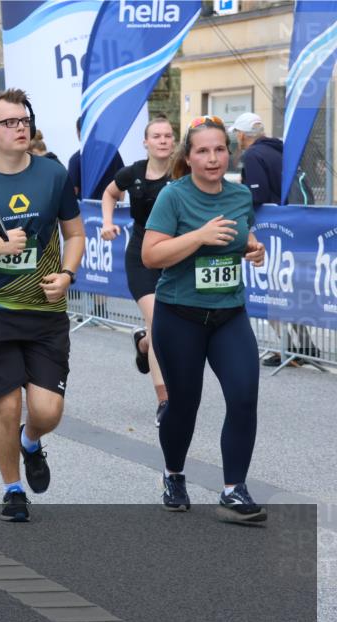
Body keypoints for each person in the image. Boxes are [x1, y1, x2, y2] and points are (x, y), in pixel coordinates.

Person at [0, 90, 85, 523]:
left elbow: (74, 234)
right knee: (6, 404)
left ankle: (31, 442)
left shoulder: (53, 175)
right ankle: (12, 489)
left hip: (44, 313)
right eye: (9, 122)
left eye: (24, 120)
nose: (20, 127)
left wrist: (67, 275)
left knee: (47, 412)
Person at [141, 115, 267, 524]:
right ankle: (174, 474)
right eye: (203, 151)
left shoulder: (239, 196)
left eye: (219, 149)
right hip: (180, 316)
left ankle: (234, 489)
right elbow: (151, 255)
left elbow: (240, 236)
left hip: (229, 314)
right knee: (183, 404)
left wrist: (252, 247)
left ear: (228, 153)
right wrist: (198, 236)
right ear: (189, 157)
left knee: (245, 394)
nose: (212, 158)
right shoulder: (173, 197)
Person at [101, 115, 175, 425]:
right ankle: (165, 399)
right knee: (159, 320)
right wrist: (107, 223)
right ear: (145, 142)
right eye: (156, 136)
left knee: (166, 326)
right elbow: (109, 193)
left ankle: (144, 344)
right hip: (142, 256)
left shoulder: (183, 173)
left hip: (175, 255)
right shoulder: (133, 173)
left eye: (168, 136)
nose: (162, 140)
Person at [228, 112, 319, 366]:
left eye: (237, 134)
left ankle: (288, 348)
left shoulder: (253, 155)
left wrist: (236, 194)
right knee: (289, 288)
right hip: (296, 227)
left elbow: (256, 196)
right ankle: (305, 346)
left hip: (271, 232)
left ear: (242, 135)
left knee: (268, 289)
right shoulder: (283, 149)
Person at [68, 116, 125, 200]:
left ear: (79, 133)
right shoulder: (111, 151)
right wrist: (119, 204)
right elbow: (123, 181)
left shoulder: (75, 159)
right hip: (111, 208)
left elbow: (74, 191)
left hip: (87, 211)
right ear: (95, 130)